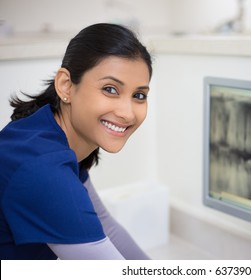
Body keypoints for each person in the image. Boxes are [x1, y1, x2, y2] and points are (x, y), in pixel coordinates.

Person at [0, 23, 152, 260]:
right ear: (66, 86)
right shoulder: (43, 169)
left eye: (139, 95)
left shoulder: (48, 132)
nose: (127, 113)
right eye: (110, 89)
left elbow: (107, 228)